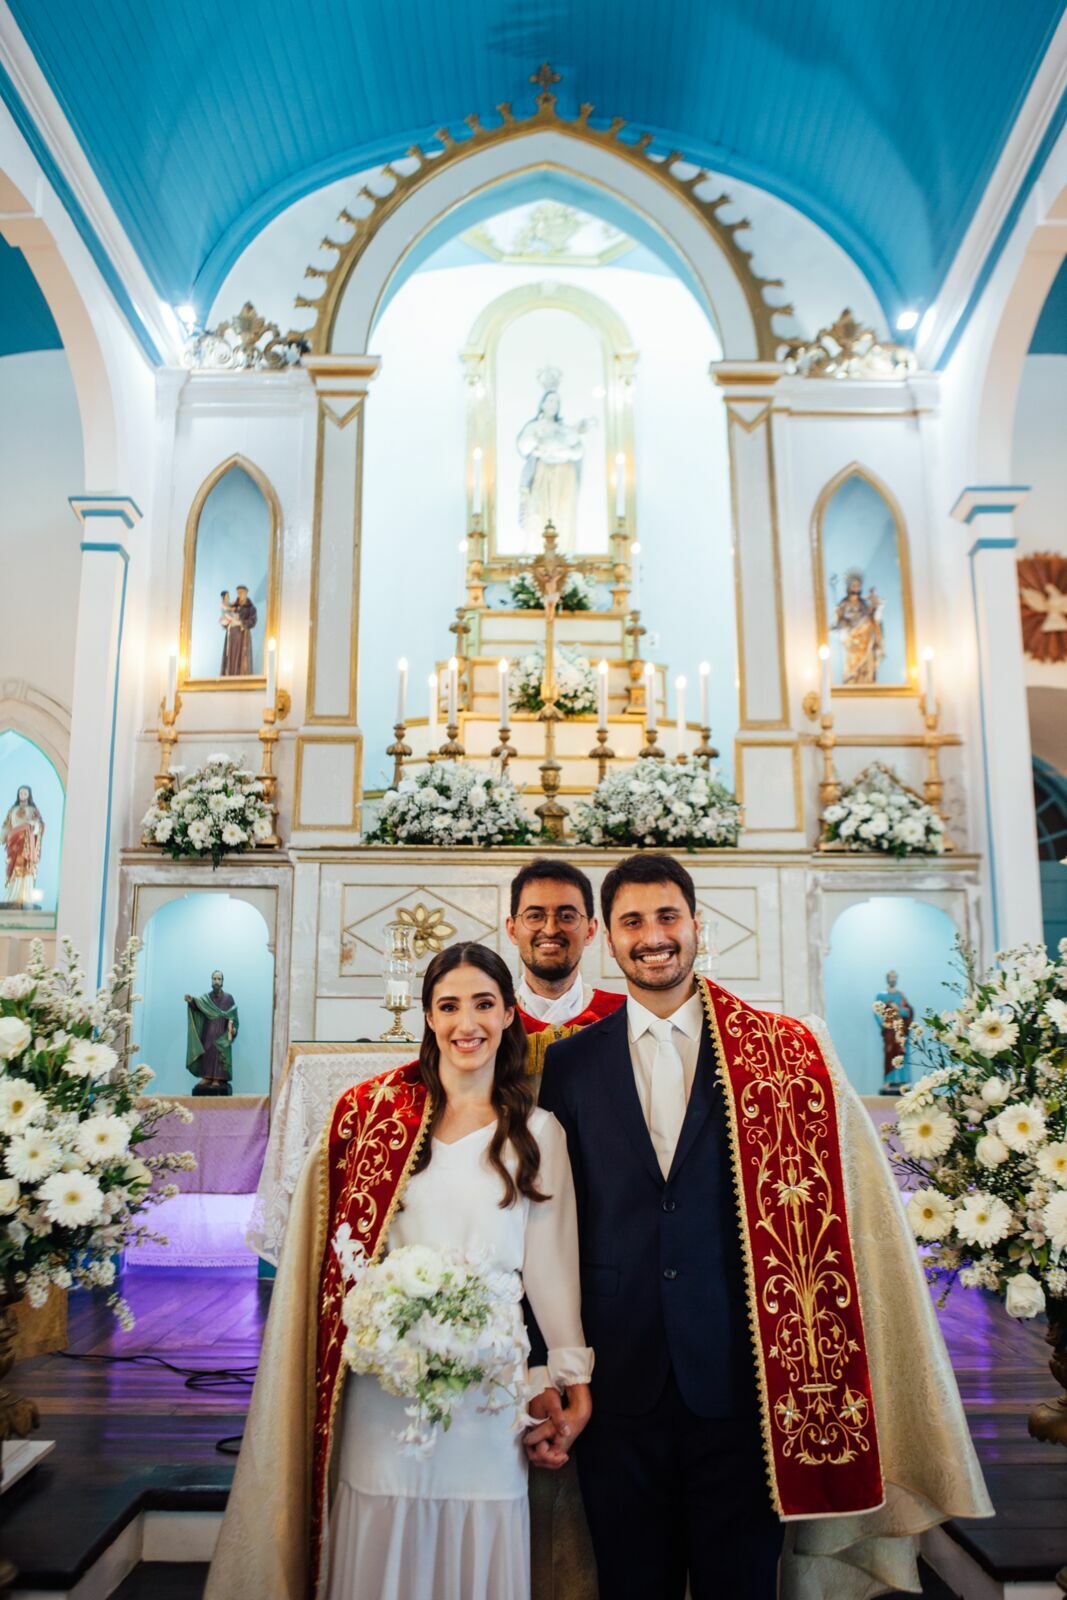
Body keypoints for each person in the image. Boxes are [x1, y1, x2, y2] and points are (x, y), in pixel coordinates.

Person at [527, 852, 990, 1600]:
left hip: (745, 1377)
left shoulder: (776, 1052)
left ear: (697, 925)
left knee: (740, 1583)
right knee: (626, 1583)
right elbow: (545, 1223)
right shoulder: (569, 1066)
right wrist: (548, 1361)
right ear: (604, 940)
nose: (653, 937)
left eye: (667, 917)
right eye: (632, 922)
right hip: (617, 1378)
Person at [205, 942, 591, 1600]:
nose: (465, 1023)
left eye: (482, 1005)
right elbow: (333, 1260)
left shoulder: (537, 1130)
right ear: (427, 1017)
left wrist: (565, 1373)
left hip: (486, 1384)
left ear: (506, 1016)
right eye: (447, 1006)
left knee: (480, 1522)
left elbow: (551, 1264)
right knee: (380, 1523)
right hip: (384, 1379)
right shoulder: (373, 1116)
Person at [506, 859, 624, 1077]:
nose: (550, 929)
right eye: (535, 916)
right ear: (512, 930)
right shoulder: (491, 1021)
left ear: (590, 930)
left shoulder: (623, 1016)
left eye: (567, 916)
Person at [184, 970, 238, 1096]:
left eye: (219, 979)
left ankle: (218, 1078)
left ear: (222, 982)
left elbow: (234, 1016)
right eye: (214, 978)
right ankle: (207, 1077)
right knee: (207, 1051)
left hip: (222, 1033)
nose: (216, 981)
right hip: (208, 1031)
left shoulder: (229, 998)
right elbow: (198, 1006)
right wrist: (191, 1001)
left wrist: (233, 1028)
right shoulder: (206, 998)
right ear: (211, 980)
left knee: (219, 1053)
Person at [1, 784, 44, 908]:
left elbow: (40, 825)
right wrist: (2, 836)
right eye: (21, 793)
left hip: (27, 844)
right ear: (18, 794)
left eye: (25, 793)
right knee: (14, 868)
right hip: (14, 843)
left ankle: (25, 897)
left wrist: (34, 824)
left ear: (29, 795)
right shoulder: (12, 811)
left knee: (26, 868)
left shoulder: (33, 810)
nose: (23, 795)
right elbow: (6, 826)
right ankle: (12, 896)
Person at [874, 968, 914, 1092]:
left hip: (900, 1029)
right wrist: (882, 1023)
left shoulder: (900, 995)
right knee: (890, 1053)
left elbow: (908, 1011)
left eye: (895, 977)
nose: (893, 979)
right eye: (891, 977)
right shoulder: (881, 995)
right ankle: (889, 1080)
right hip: (890, 1030)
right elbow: (876, 1011)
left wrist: (898, 1009)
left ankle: (902, 1080)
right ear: (887, 979)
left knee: (902, 1052)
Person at [220, 583, 257, 675]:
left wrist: (241, 623)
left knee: (241, 661)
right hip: (231, 638)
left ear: (246, 593)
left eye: (242, 592)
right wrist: (224, 622)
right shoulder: (234, 606)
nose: (240, 594)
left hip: (242, 637)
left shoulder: (250, 608)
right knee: (230, 660)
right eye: (238, 593)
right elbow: (226, 617)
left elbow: (252, 621)